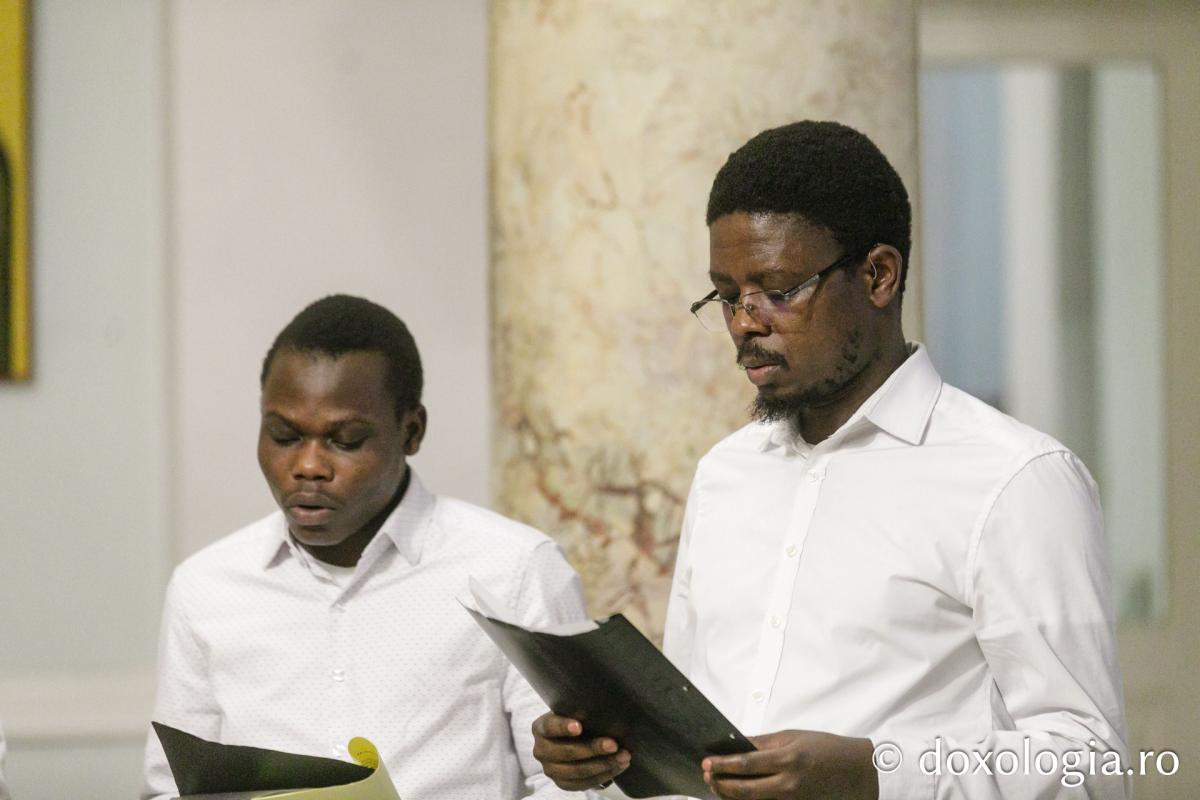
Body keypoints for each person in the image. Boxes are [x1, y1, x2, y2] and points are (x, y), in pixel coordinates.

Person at [530, 121, 1128, 799]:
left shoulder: (1014, 480)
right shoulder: (726, 474)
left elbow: (1092, 766)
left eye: (779, 289)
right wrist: (607, 758)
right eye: (726, 295)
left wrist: (875, 773)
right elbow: (696, 746)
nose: (745, 322)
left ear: (878, 276)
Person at [141, 295, 588, 800]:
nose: (308, 466)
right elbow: (170, 788)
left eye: (346, 440)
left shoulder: (514, 569)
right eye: (284, 436)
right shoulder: (205, 587)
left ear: (411, 431)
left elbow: (572, 788)